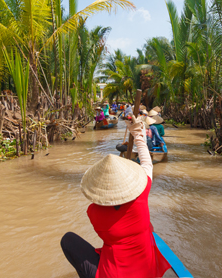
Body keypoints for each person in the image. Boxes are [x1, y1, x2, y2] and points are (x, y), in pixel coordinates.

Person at [60, 116, 173, 278]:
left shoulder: (93, 211)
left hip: (113, 274)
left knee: (68, 240)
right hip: (146, 271)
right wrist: (138, 135)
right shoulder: (141, 195)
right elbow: (147, 164)